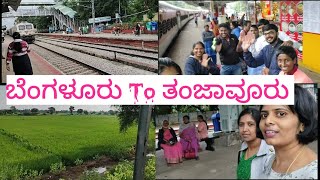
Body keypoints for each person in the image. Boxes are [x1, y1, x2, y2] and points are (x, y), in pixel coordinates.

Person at [259, 85, 318, 179]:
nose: (267, 121)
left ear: (302, 124)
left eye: (281, 114)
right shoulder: (270, 160)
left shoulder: (313, 173)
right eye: (264, 115)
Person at [237, 108, 274, 179]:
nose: (244, 129)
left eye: (250, 124)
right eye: (241, 125)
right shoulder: (243, 147)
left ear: (259, 126)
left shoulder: (270, 153)